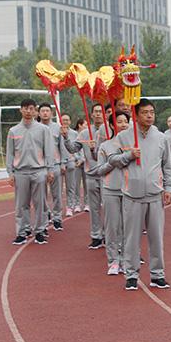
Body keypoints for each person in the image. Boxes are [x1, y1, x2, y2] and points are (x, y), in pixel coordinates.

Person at [108, 99, 171, 291]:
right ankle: (131, 275)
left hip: (155, 194)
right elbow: (112, 159)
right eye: (144, 112)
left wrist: (169, 188)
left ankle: (157, 275)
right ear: (135, 115)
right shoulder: (124, 137)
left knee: (156, 238)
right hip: (132, 195)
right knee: (131, 238)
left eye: (151, 112)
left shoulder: (161, 137)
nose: (149, 116)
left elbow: (167, 165)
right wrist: (128, 156)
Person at [7, 99, 55, 245]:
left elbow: (49, 151)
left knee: (40, 203)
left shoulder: (43, 130)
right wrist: (10, 173)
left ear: (35, 111)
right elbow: (9, 153)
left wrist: (50, 169)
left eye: (31, 109)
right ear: (20, 110)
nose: (28, 111)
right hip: (20, 172)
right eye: (25, 108)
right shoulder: (13, 131)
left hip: (38, 171)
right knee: (21, 204)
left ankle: (40, 231)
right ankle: (22, 232)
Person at [89, 111, 130, 276]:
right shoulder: (105, 146)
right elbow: (99, 169)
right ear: (112, 125)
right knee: (112, 227)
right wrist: (113, 162)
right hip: (111, 190)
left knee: (129, 228)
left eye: (125, 121)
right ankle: (113, 261)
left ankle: (127, 260)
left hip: (130, 190)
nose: (123, 125)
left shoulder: (134, 145)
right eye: (119, 122)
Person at [64, 102, 106, 248]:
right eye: (96, 111)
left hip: (108, 175)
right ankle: (96, 236)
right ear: (92, 114)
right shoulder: (84, 133)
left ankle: (108, 234)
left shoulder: (110, 131)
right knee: (94, 208)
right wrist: (65, 138)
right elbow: (73, 148)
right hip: (91, 175)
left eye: (101, 111)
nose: (99, 114)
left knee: (109, 208)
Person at [37, 103, 68, 231]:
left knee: (57, 194)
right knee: (41, 195)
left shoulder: (57, 128)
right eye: (42, 111)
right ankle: (45, 216)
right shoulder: (35, 128)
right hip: (40, 166)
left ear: (51, 113)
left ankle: (57, 218)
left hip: (55, 165)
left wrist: (63, 163)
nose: (45, 113)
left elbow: (62, 146)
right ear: (39, 113)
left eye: (47, 111)